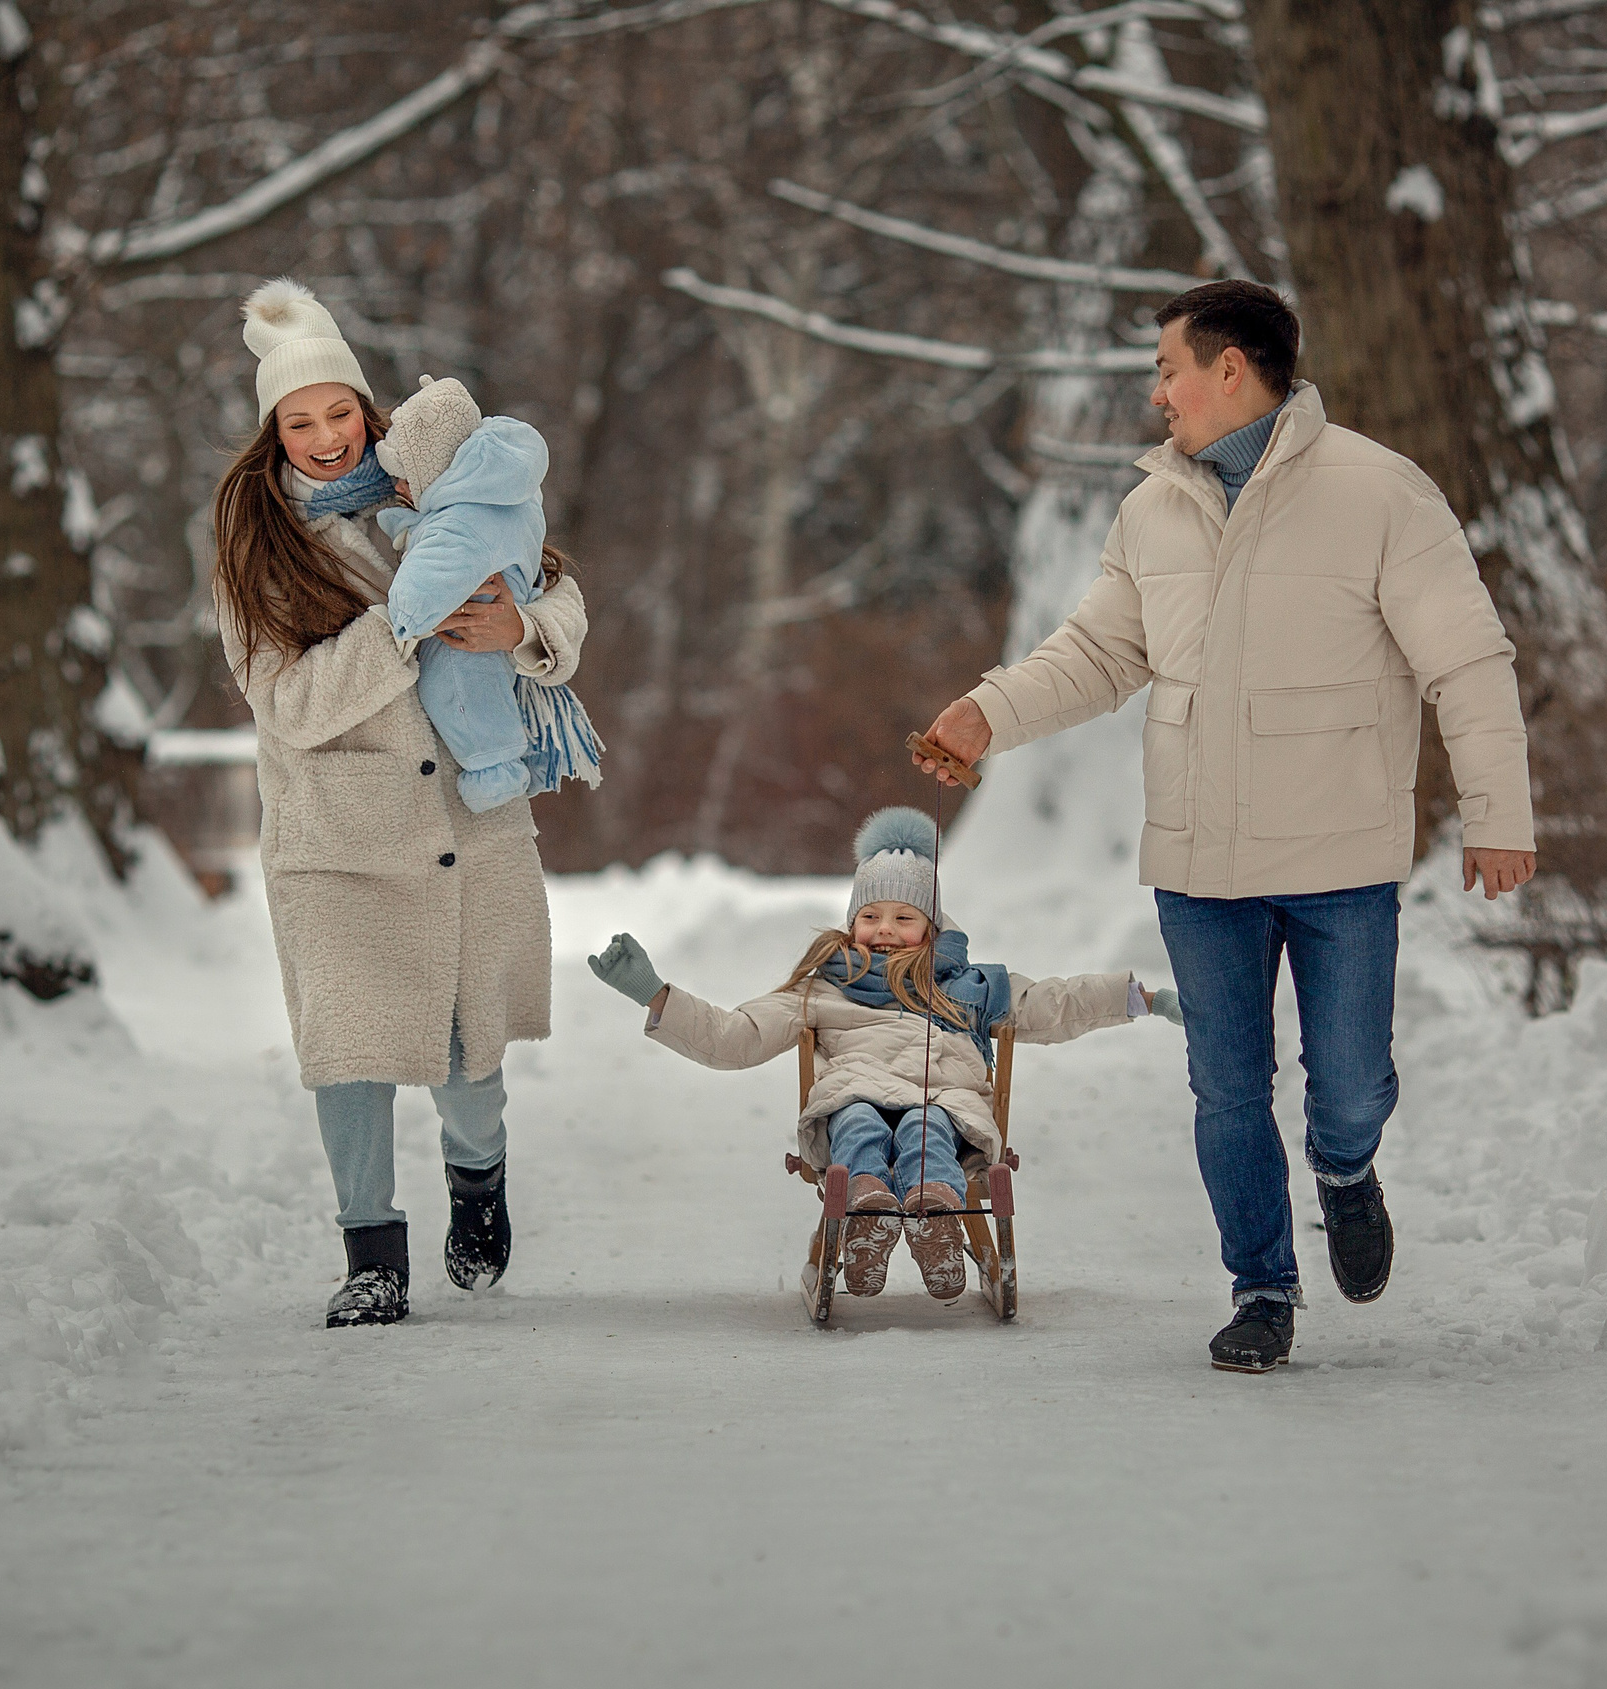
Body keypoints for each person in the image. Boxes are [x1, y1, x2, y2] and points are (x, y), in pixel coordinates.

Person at [913, 279, 1538, 1373]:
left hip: (1341, 853)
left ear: (1232, 370)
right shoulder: (1154, 507)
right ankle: (1261, 1287)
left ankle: (1345, 1167)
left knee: (1350, 1082)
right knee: (1228, 1087)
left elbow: (1465, 659)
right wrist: (986, 713)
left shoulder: (1381, 493)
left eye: (1169, 369)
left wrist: (1499, 811)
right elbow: (1099, 653)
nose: (1157, 393)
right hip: (1202, 861)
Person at [212, 278, 590, 1328]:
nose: (327, 438)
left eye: (340, 412)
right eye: (299, 422)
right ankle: (371, 1254)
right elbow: (289, 703)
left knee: (470, 1055)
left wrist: (523, 632)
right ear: (272, 434)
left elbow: (554, 585)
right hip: (338, 837)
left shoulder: (438, 480)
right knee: (350, 1052)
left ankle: (478, 1180)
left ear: (368, 410)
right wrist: (402, 628)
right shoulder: (258, 547)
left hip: (467, 820)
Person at [583, 808, 1181, 1301]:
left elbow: (1056, 1003)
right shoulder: (823, 988)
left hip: (942, 1105)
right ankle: (866, 1211)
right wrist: (655, 994)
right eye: (869, 916)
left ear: (931, 926)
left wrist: (1142, 998)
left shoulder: (972, 987)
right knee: (859, 1119)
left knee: (927, 1126)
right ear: (851, 924)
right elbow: (736, 1035)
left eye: (903, 917)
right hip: (854, 1099)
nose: (885, 930)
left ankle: (935, 1221)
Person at [372, 372, 603, 813]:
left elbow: (565, 603)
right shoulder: (505, 495)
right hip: (394, 795)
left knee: (465, 690)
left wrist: (520, 631)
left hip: (480, 804)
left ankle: (495, 766)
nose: (396, 487)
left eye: (403, 477)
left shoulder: (465, 518)